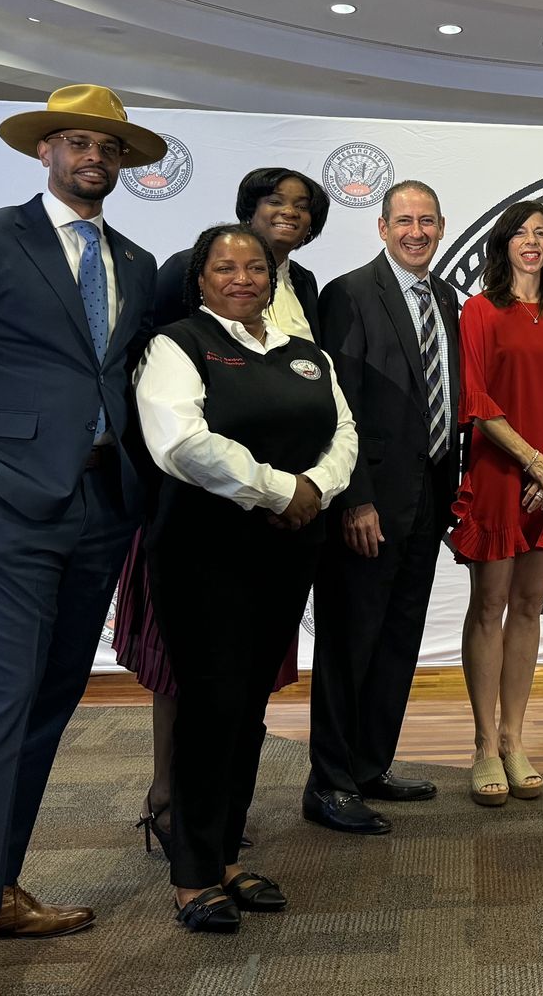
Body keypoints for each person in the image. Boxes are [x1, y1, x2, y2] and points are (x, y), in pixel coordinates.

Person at [0, 84, 163, 994]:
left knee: (49, 702)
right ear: (44, 151)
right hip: (2, 507)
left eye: (110, 147)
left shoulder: (136, 259)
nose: (95, 157)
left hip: (101, 506)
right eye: (78, 142)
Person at [136, 223, 356, 931]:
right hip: (204, 550)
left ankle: (226, 856)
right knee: (210, 705)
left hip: (288, 549)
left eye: (255, 268)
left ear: (272, 278)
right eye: (224, 268)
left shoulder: (306, 354)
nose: (242, 279)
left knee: (250, 705)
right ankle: (192, 875)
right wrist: (279, 490)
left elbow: (344, 435)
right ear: (199, 278)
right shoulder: (177, 344)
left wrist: (315, 488)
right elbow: (181, 443)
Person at [113, 167, 332, 851]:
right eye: (275, 201)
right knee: (184, 668)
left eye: (302, 205)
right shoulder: (183, 280)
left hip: (283, 523)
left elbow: (324, 400)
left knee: (245, 675)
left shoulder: (305, 287)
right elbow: (153, 397)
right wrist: (268, 486)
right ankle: (169, 801)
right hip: (197, 511)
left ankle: (219, 818)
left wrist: (308, 489)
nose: (288, 212)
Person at [305, 180, 461, 834]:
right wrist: (355, 500)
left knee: (398, 640)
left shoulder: (445, 297)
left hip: (428, 498)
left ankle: (370, 765)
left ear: (441, 226)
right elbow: (338, 406)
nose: (415, 232)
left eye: (427, 221)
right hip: (367, 503)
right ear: (382, 227)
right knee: (349, 644)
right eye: (404, 221)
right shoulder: (349, 293)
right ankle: (329, 784)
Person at [452, 199, 543, 805]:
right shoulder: (480, 310)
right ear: (503, 244)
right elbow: (477, 399)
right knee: (490, 605)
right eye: (520, 233)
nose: (532, 242)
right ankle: (484, 744)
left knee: (530, 606)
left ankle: (514, 738)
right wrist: (532, 460)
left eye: (541, 233)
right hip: (499, 472)